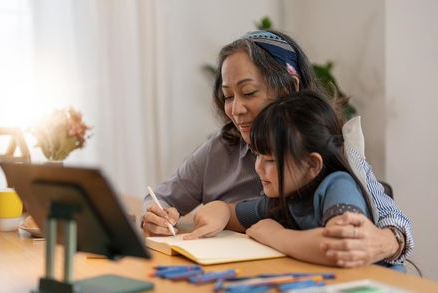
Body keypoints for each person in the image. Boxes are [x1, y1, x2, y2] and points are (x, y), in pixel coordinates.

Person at [142, 30, 412, 268]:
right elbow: (163, 199)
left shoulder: (331, 158)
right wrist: (160, 214)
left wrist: (389, 240)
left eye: (248, 93)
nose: (235, 109)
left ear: (289, 88)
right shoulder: (221, 149)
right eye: (227, 96)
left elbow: (390, 220)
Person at [184, 90, 403, 268]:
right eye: (258, 155)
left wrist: (276, 235)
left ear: (311, 164)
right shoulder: (286, 197)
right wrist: (219, 210)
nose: (258, 167)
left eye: (270, 160)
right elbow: (233, 214)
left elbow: (338, 247)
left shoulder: (338, 185)